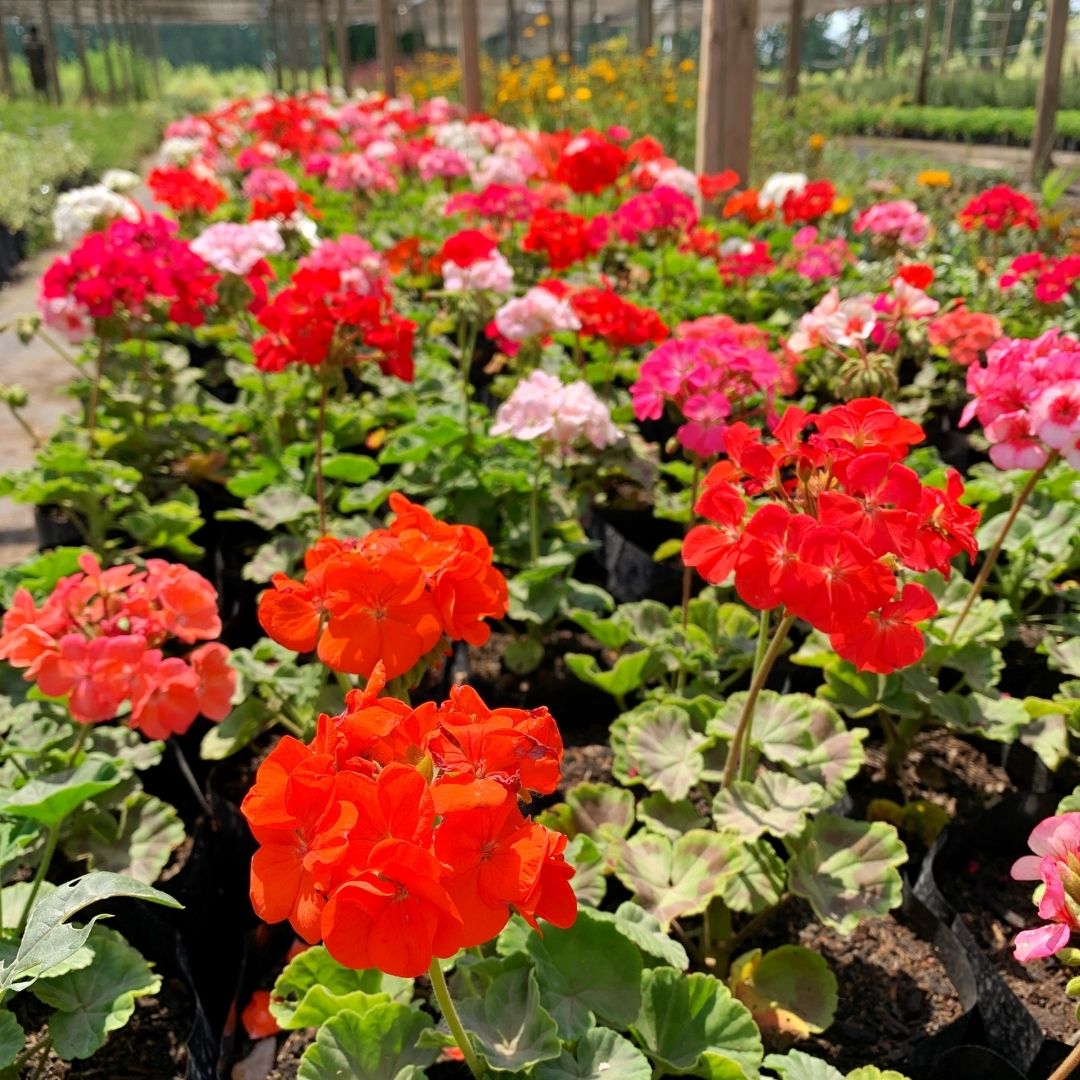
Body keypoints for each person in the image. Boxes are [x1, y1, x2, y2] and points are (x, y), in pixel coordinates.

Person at [23, 24, 48, 98]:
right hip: (40, 66)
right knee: (42, 84)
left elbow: (26, 53)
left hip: (34, 66)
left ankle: (38, 98)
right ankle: (44, 99)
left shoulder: (28, 43)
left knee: (36, 83)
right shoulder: (41, 42)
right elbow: (45, 54)